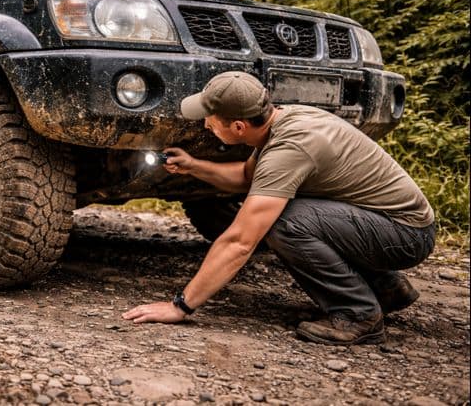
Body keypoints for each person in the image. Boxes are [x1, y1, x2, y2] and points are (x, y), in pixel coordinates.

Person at [122, 71, 435, 345]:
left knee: (283, 221)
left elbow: (240, 241)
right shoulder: (283, 119)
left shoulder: (290, 147)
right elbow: (248, 177)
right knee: (287, 211)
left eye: (211, 118)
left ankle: (358, 315)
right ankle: (385, 289)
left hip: (406, 234)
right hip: (386, 223)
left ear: (239, 127)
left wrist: (180, 305)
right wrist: (194, 166)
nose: (205, 124)